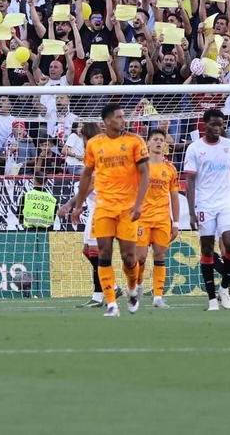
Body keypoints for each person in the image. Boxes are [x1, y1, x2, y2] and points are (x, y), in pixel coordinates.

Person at [60, 102, 149, 318]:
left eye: (122, 116)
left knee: (129, 257)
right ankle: (110, 303)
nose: (122, 120)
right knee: (103, 253)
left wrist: (138, 204)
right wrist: (78, 205)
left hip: (127, 208)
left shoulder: (134, 141)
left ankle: (131, 288)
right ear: (107, 121)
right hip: (103, 208)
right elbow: (87, 176)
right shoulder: (94, 145)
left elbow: (145, 172)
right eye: (118, 117)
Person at [182, 108, 230, 312]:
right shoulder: (194, 148)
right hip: (204, 204)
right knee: (207, 249)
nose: (218, 128)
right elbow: (189, 181)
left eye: (221, 124)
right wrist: (191, 211)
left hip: (227, 203)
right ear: (205, 124)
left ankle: (225, 287)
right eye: (214, 124)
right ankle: (211, 299)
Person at [137, 128, 181, 310]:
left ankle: (158, 297)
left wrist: (176, 223)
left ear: (165, 145)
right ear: (147, 143)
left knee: (160, 255)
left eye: (161, 140)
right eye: (154, 139)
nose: (158, 142)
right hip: (141, 218)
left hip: (162, 219)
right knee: (139, 257)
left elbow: (175, 197)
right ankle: (137, 285)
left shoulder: (170, 169)